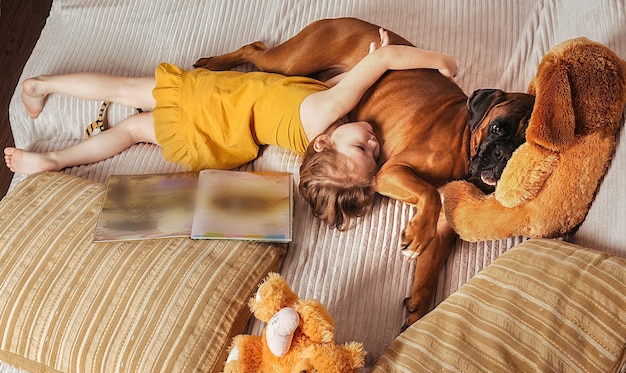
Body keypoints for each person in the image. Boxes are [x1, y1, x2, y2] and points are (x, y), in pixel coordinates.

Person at [5, 29, 457, 230]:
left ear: (324, 143)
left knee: (126, 90)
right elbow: (354, 77)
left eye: (365, 147)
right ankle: (55, 160)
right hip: (215, 140)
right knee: (131, 133)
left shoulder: (325, 116)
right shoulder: (316, 127)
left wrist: (439, 60)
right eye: (371, 150)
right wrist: (368, 67)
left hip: (210, 102)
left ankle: (39, 84)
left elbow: (380, 62)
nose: (377, 142)